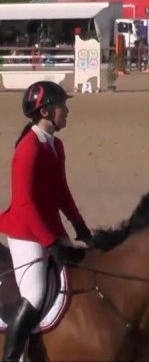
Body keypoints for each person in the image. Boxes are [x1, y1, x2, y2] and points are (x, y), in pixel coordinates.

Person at [0, 81, 93, 362]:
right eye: (62, 105)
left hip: (49, 227)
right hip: (25, 232)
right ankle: (12, 357)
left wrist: (80, 227)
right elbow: (26, 205)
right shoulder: (28, 149)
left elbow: (62, 191)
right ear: (46, 110)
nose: (66, 110)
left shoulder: (56, 145)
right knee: (35, 294)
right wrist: (51, 242)